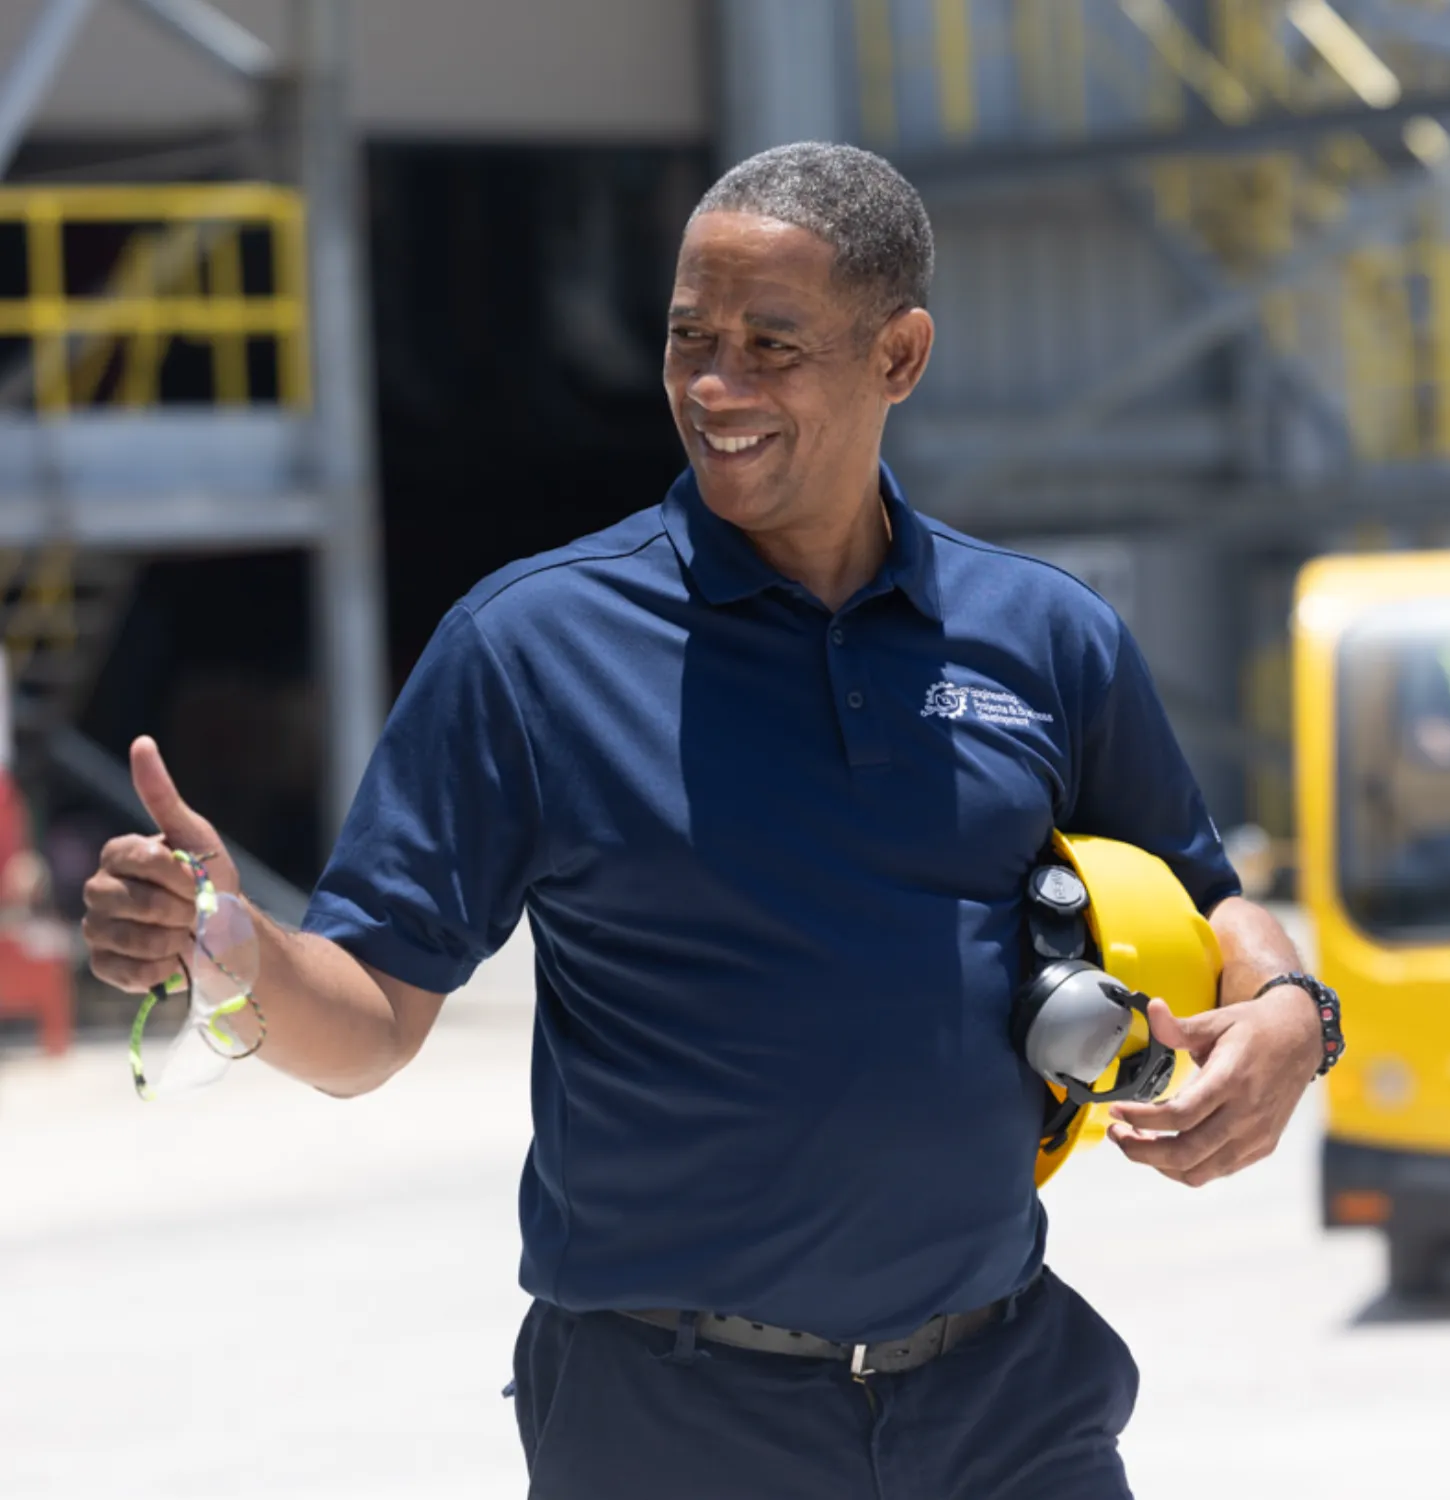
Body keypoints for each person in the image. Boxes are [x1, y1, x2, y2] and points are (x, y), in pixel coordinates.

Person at [82, 143, 1333, 1499]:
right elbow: (372, 1020)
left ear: (897, 357)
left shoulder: (1045, 639)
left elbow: (1213, 897)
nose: (713, 387)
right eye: (690, 338)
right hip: (670, 1426)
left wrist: (1288, 1012)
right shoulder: (533, 649)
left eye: (770, 346)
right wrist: (235, 947)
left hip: (1004, 1406)